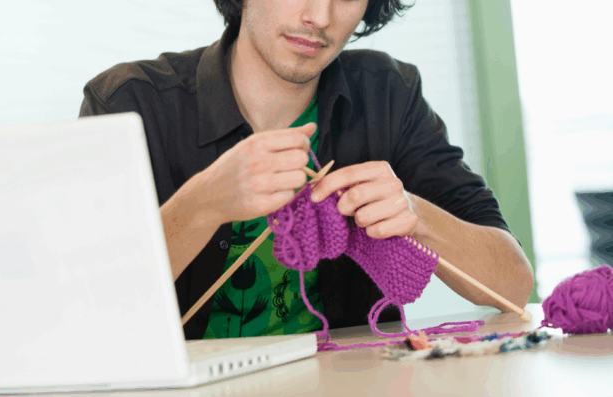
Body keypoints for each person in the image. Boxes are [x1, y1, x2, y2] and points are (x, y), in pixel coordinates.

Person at [79, 0, 534, 340]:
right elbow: (84, 306)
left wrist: (416, 216)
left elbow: (513, 286)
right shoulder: (129, 103)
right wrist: (202, 205)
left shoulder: (387, 94)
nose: (319, 15)